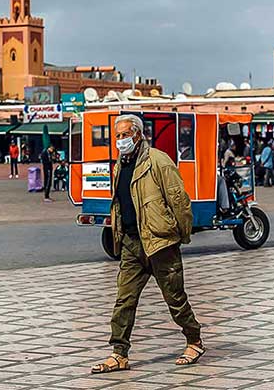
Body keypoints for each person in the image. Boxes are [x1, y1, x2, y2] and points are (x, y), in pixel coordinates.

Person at [91, 114, 202, 374]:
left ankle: (194, 340)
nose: (120, 140)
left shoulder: (158, 161)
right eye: (117, 135)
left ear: (138, 134)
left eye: (125, 134)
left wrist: (180, 235)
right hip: (132, 243)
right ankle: (119, 354)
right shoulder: (120, 164)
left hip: (161, 243)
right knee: (124, 301)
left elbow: (179, 201)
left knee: (175, 298)